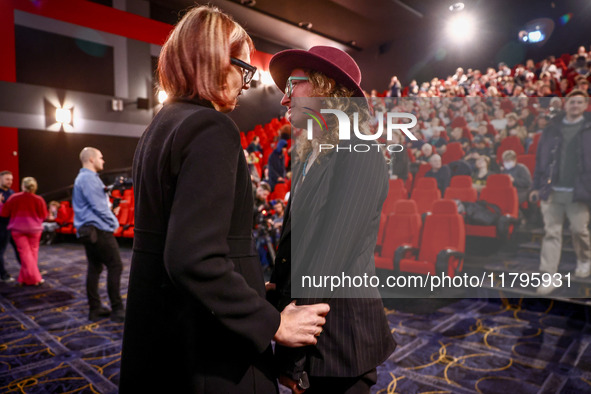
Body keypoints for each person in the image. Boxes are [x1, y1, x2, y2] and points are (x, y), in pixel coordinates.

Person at [119, 7, 329, 394]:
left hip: (164, 340)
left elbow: (181, 241)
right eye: (243, 69)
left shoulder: (160, 127)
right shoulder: (211, 127)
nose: (246, 84)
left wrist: (248, 284)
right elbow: (192, 257)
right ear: (214, 61)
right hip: (209, 353)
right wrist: (273, 324)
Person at [269, 45, 396, 394]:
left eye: (292, 85)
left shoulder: (358, 148)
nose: (284, 99)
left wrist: (294, 358)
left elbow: (329, 258)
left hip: (340, 343)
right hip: (316, 338)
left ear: (325, 88)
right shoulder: (314, 154)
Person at [530, 90, 591, 295]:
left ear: (585, 105)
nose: (575, 105)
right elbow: (541, 158)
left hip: (578, 190)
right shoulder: (551, 129)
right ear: (565, 105)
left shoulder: (588, 128)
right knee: (551, 233)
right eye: (571, 102)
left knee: (579, 230)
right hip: (553, 189)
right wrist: (536, 186)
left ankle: (584, 258)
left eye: (579, 102)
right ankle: (549, 275)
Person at [72, 147, 124, 322]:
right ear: (91, 159)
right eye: (101, 158)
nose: (103, 161)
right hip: (99, 230)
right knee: (115, 266)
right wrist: (114, 223)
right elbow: (99, 207)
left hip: (89, 230)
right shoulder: (89, 178)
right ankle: (117, 310)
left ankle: (95, 309)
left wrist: (111, 209)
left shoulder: (83, 178)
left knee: (94, 268)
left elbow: (96, 205)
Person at [0, 177, 47, 286]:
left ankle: (30, 278)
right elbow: (44, 215)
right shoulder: (39, 199)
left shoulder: (14, 198)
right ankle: (32, 278)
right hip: (35, 230)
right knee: (32, 253)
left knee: (25, 254)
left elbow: (4, 213)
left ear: (23, 186)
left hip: (18, 230)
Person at [0, 171, 19, 281]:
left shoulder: (12, 192)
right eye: (7, 179)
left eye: (11, 179)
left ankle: (30, 269)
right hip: (1, 226)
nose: (10, 182)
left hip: (13, 225)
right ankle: (3, 275)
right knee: (1, 251)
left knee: (19, 249)